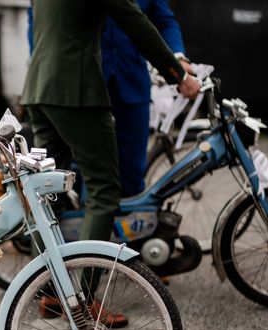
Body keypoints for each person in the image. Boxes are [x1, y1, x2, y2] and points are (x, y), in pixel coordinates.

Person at [22, 0, 201, 245]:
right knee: (103, 190)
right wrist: (177, 75)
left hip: (40, 87)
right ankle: (86, 280)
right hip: (78, 89)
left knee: (48, 192)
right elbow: (134, 21)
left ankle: (42, 281)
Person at [103, 0, 192, 197]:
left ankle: (131, 223)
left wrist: (177, 57)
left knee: (133, 169)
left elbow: (165, 20)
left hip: (132, 81)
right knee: (84, 170)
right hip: (89, 82)